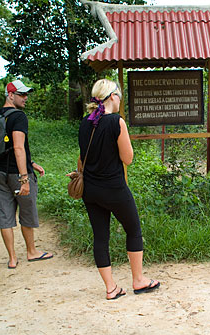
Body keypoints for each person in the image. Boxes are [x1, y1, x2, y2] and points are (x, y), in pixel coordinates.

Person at [74, 79, 159, 300]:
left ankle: (111, 288)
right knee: (133, 230)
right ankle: (139, 280)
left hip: (90, 190)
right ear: (112, 96)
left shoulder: (85, 123)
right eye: (119, 94)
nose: (121, 98)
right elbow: (128, 159)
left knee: (100, 237)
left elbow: (81, 158)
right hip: (114, 188)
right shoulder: (116, 122)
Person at [0, 80, 53, 269]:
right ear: (10, 95)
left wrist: (31, 163)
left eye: (26, 94)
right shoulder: (18, 117)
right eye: (21, 94)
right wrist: (24, 177)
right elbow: (18, 148)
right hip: (17, 174)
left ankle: (12, 258)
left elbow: (5, 148)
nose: (25, 98)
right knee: (27, 212)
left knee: (4, 215)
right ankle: (31, 251)